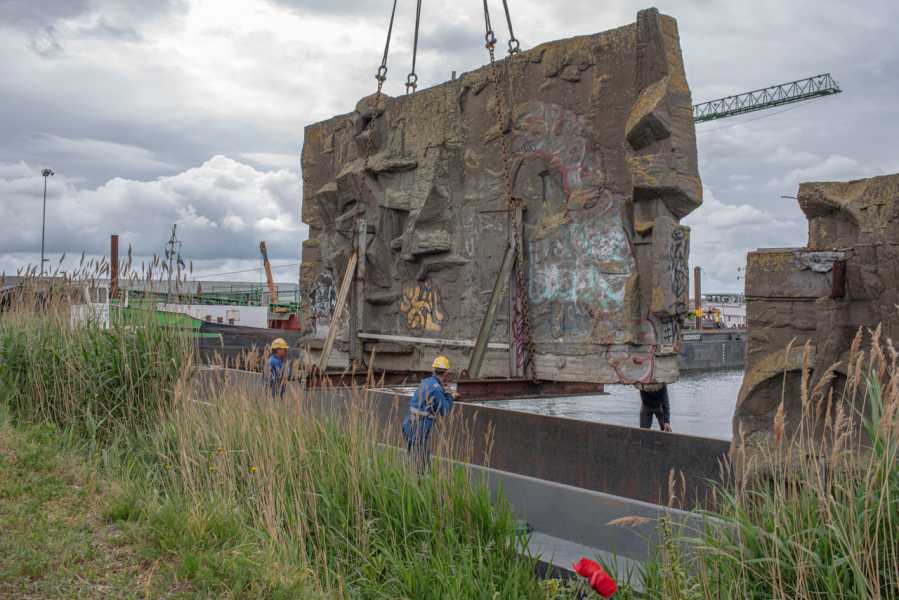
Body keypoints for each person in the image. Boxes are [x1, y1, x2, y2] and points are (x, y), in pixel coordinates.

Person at [402, 355, 455, 474]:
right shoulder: (437, 389)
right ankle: (419, 483)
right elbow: (444, 410)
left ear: (433, 370)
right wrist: (450, 396)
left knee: (413, 461)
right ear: (446, 373)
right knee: (423, 466)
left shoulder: (426, 382)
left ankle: (412, 482)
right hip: (419, 429)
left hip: (409, 425)